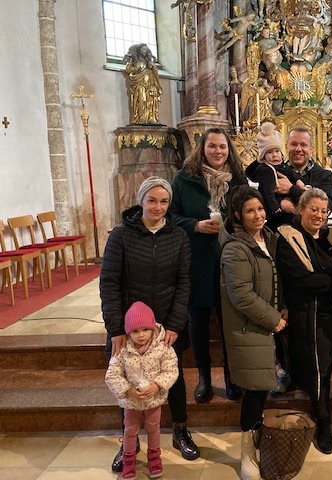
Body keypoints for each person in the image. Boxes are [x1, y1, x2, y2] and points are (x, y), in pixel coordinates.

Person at [100, 176, 199, 472]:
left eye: (164, 201)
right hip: (130, 326)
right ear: (141, 201)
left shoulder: (178, 236)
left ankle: (180, 429)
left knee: (173, 376)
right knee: (127, 378)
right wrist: (116, 329)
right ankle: (128, 442)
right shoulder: (120, 235)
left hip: (167, 322)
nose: (158, 207)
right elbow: (109, 283)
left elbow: (184, 282)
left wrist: (175, 324)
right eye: (152, 200)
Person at [276, 188, 332, 455]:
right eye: (313, 209)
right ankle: (323, 424)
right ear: (301, 209)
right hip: (314, 319)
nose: (319, 215)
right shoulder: (288, 238)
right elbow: (299, 279)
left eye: (324, 211)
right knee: (320, 374)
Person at [169, 128, 248, 403]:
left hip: (231, 258)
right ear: (202, 148)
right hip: (197, 258)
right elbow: (170, 216)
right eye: (212, 146)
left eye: (223, 147)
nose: (218, 151)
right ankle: (204, 377)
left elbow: (249, 211)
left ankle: (231, 376)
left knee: (230, 320)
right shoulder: (184, 178)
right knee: (199, 320)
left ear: (229, 149)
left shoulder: (238, 179)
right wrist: (195, 225)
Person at [219, 185, 288, 480]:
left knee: (263, 388)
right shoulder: (236, 248)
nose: (258, 215)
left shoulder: (269, 238)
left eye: (260, 208)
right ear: (237, 215)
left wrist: (283, 307)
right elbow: (241, 295)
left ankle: (259, 441)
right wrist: (273, 319)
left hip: (268, 325)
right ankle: (246, 452)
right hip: (250, 327)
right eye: (250, 211)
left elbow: (276, 278)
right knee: (255, 390)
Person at [105, 301, 179, 480]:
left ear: (153, 328)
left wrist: (157, 385)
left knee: (154, 428)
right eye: (135, 331)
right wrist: (128, 390)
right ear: (128, 331)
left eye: (145, 329)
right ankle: (128, 461)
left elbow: (171, 370)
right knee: (130, 430)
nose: (141, 335)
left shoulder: (162, 347)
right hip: (132, 401)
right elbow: (112, 375)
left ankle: (155, 459)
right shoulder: (123, 349)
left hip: (154, 399)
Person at [246, 122, 300, 229]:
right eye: (270, 152)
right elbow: (267, 192)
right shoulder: (266, 171)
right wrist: (275, 208)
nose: (274, 155)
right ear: (263, 156)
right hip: (276, 209)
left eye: (277, 151)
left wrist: (298, 181)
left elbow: (292, 173)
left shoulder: (282, 165)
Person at [275, 127, 332, 210]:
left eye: (303, 145)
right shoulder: (276, 173)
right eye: (293, 144)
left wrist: (292, 190)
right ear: (286, 147)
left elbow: (326, 207)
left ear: (311, 149)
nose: (298, 149)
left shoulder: (324, 176)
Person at [123, 43, 163, 125]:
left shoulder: (149, 60)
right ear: (139, 50)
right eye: (143, 49)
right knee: (142, 99)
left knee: (151, 100)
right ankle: (142, 118)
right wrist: (136, 68)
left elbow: (155, 72)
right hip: (140, 83)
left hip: (151, 83)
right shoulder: (135, 59)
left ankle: (151, 118)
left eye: (146, 49)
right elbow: (128, 69)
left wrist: (154, 67)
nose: (145, 51)